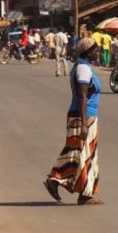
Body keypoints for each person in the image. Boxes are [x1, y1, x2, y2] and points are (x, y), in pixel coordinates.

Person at [44, 37, 103, 205]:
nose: (97, 53)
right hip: (82, 116)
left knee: (85, 153)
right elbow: (83, 96)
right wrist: (84, 124)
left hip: (85, 115)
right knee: (79, 152)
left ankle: (85, 193)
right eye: (95, 50)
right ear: (87, 52)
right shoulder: (83, 69)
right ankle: (56, 179)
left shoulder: (83, 66)